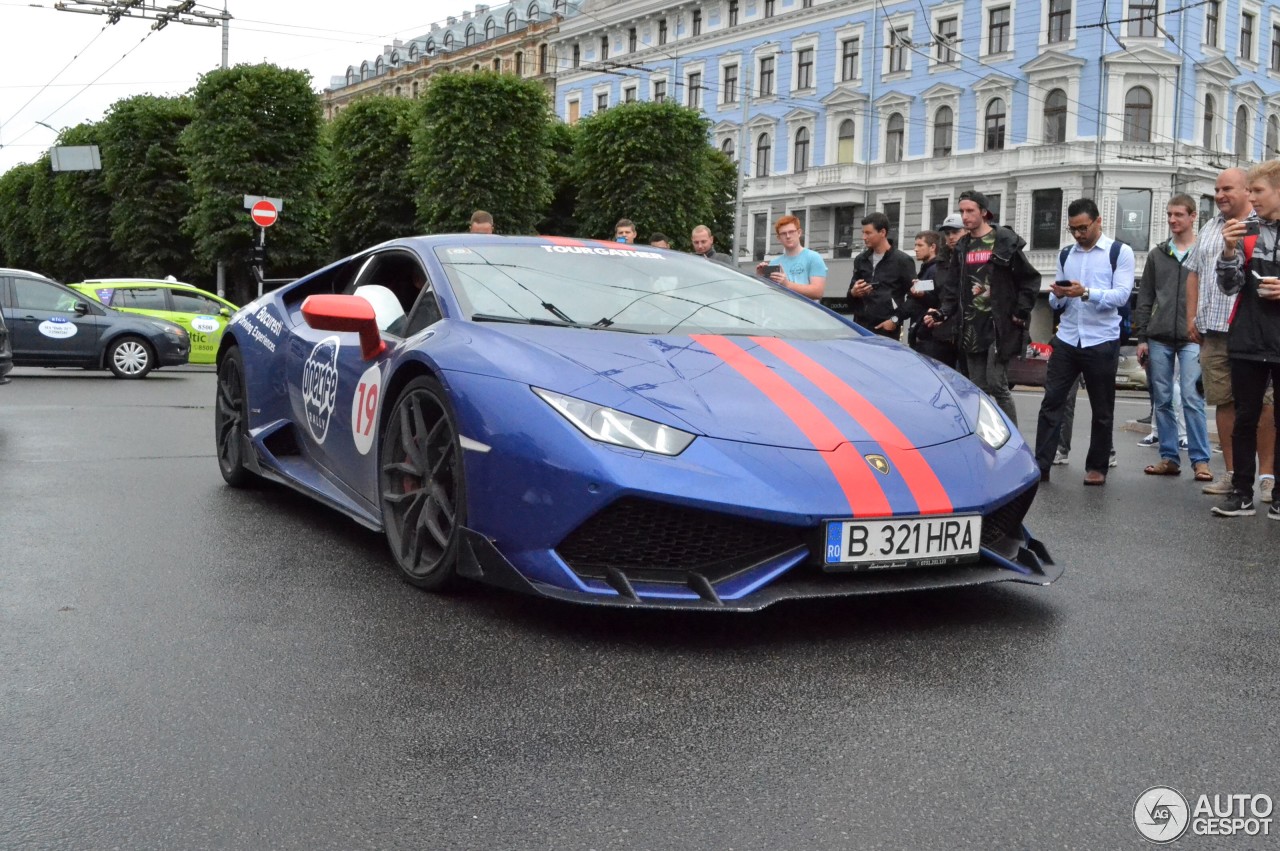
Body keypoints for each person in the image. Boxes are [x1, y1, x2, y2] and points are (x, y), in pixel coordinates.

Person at [1186, 167, 1276, 502]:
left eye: (1228, 189)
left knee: (1267, 407)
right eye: (1217, 190)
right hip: (1220, 331)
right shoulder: (1212, 227)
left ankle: (1267, 477)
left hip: (1260, 332)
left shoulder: (1262, 224)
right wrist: (1191, 317)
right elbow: (1200, 275)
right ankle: (1236, 476)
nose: (1220, 196)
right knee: (1226, 403)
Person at [1033, 198, 1135, 485]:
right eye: (1073, 229)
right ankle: (1040, 466)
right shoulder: (1067, 255)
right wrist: (1058, 295)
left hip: (1101, 339)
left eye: (1083, 228)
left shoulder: (1119, 252)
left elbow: (1121, 296)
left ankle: (1097, 467)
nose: (1078, 234)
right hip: (1067, 338)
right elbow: (1055, 301)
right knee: (1051, 402)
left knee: (1101, 408)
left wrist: (1086, 292)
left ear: (1098, 221)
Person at [926, 190, 1039, 424]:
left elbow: (1030, 278)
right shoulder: (962, 247)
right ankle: (986, 436)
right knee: (977, 387)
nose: (965, 216)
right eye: (962, 211)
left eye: (970, 211)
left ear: (984, 212)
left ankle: (1012, 436)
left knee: (997, 384)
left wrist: (1020, 312)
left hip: (999, 324)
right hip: (971, 325)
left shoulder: (1004, 240)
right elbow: (953, 287)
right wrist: (942, 313)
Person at [1208, 161, 1280, 517]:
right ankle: (1241, 494)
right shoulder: (1244, 229)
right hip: (1248, 337)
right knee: (1245, 417)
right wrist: (1229, 251)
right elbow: (1229, 286)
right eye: (1248, 191)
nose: (1251, 198)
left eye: (1258, 191)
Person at [1133, 194, 1211, 480]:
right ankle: (1169, 457)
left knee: (1192, 397)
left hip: (1193, 336)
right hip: (1159, 336)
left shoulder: (1203, 251)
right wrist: (1142, 337)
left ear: (1193, 217)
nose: (1172, 220)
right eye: (1169, 214)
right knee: (1162, 400)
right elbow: (1145, 297)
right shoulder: (1158, 254)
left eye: (1178, 214)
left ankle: (1200, 460)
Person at [847, 212, 916, 338]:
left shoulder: (902, 261)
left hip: (886, 331)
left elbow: (914, 297)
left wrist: (895, 320)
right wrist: (853, 292)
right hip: (860, 328)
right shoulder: (860, 259)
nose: (863, 237)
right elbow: (850, 298)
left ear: (882, 232)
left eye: (868, 233)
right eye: (863, 233)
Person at [906, 230, 957, 367]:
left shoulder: (936, 270)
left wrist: (922, 295)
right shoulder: (927, 269)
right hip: (924, 334)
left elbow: (939, 301)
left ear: (933, 247)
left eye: (920, 245)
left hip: (932, 337)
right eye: (915, 245)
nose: (915, 249)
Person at [753, 214, 827, 300]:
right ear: (779, 238)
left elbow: (817, 292)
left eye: (791, 232)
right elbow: (767, 296)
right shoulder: (774, 263)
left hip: (806, 312)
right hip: (782, 312)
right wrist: (761, 278)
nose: (788, 236)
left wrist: (787, 284)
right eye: (783, 234)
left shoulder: (814, 257)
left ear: (799, 233)